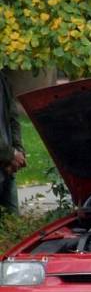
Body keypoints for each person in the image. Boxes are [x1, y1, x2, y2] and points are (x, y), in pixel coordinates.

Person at [0, 72, 25, 215]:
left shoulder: (3, 78)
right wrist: (12, 154)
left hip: (6, 168)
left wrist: (18, 149)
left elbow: (13, 116)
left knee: (13, 223)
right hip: (7, 159)